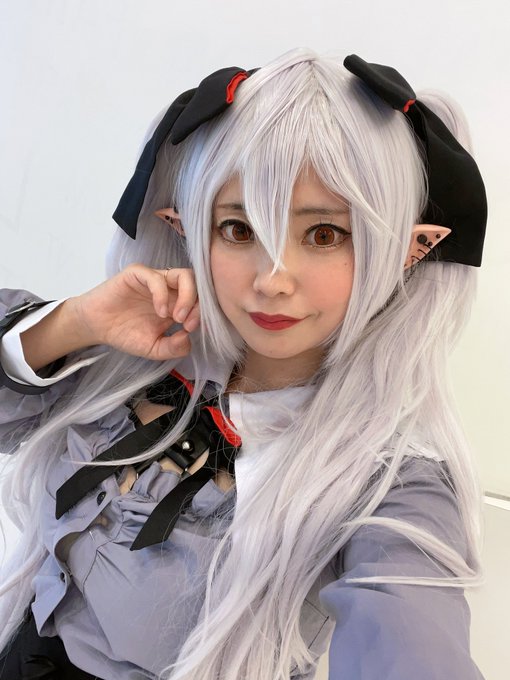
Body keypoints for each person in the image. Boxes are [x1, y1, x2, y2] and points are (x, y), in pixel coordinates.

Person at [0, 48, 488, 680]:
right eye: (238, 229)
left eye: (325, 234)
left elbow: (409, 633)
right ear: (187, 227)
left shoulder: (388, 479)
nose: (272, 280)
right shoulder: (142, 358)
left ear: (407, 248)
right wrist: (75, 322)